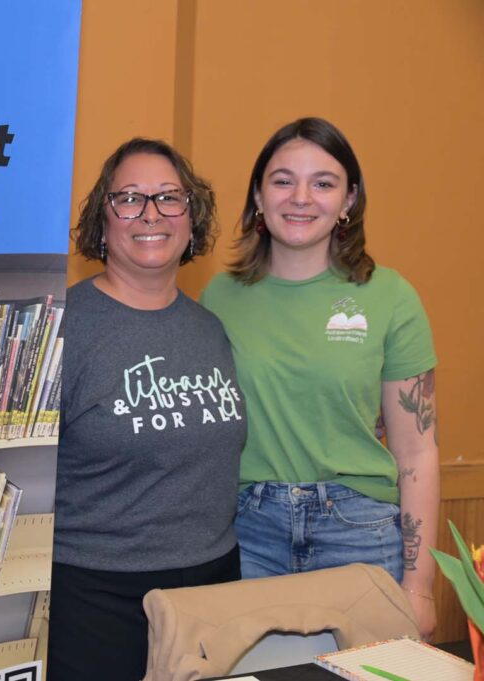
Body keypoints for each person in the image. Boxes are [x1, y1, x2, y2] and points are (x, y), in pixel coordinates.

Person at [201, 117, 439, 640]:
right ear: (258, 196)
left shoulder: (391, 297)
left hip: (361, 535)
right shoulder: (218, 298)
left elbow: (417, 451)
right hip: (249, 534)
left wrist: (420, 585)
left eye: (324, 183)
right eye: (283, 180)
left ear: (349, 200)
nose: (301, 198)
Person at [49, 138, 246, 680]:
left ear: (190, 218)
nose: (151, 213)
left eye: (169, 197)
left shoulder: (209, 329)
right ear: (103, 220)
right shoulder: (64, 328)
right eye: (130, 198)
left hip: (212, 591)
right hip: (95, 598)